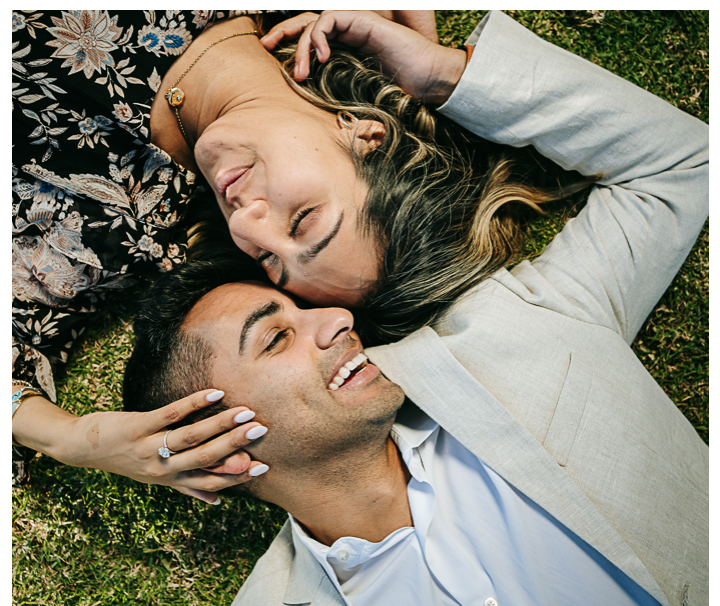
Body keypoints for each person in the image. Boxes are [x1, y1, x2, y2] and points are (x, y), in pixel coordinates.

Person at [123, 13, 708, 606]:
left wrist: (443, 75)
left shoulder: (523, 328)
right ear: (213, 445)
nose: (338, 324)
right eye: (276, 337)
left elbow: (682, 166)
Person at [12, 9, 562, 496]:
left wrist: (75, 437)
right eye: (304, 220)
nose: (249, 227)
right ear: (366, 136)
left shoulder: (115, 227)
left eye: (269, 262)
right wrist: (444, 74)